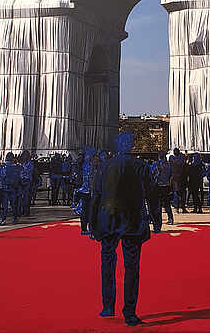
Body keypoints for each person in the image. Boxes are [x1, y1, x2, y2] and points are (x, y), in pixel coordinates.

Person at [90, 132, 156, 326]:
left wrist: (92, 222)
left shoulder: (104, 166)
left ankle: (108, 306)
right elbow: (151, 195)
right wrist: (155, 221)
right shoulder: (141, 167)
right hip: (132, 221)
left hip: (107, 219)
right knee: (131, 268)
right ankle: (129, 312)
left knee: (107, 264)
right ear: (131, 145)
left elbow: (96, 195)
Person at [0, 152, 22, 225]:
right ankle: (15, 218)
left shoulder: (4, 167)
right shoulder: (17, 167)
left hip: (5, 188)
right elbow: (20, 176)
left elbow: (0, 176)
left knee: (4, 205)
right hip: (13, 188)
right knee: (13, 204)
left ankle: (3, 219)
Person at [151, 151, 174, 225]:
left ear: (159, 157)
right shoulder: (169, 165)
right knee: (167, 203)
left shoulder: (156, 164)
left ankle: (157, 220)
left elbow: (152, 174)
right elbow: (171, 176)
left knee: (158, 204)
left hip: (158, 186)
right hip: (166, 186)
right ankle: (170, 218)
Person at [77, 146, 96, 235]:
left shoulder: (85, 165)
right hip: (87, 191)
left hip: (86, 190)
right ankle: (86, 228)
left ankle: (86, 228)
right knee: (87, 210)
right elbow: (88, 179)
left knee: (87, 210)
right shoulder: (88, 166)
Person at [171, 148, 188, 213]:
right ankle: (183, 208)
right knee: (182, 194)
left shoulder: (172, 160)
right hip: (182, 179)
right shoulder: (182, 161)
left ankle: (177, 208)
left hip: (175, 180)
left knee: (176, 194)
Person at [19, 150, 33, 216]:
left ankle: (26, 211)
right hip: (22, 181)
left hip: (27, 181)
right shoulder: (22, 163)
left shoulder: (30, 163)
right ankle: (22, 210)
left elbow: (28, 171)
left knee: (26, 197)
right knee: (22, 197)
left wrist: (22, 168)